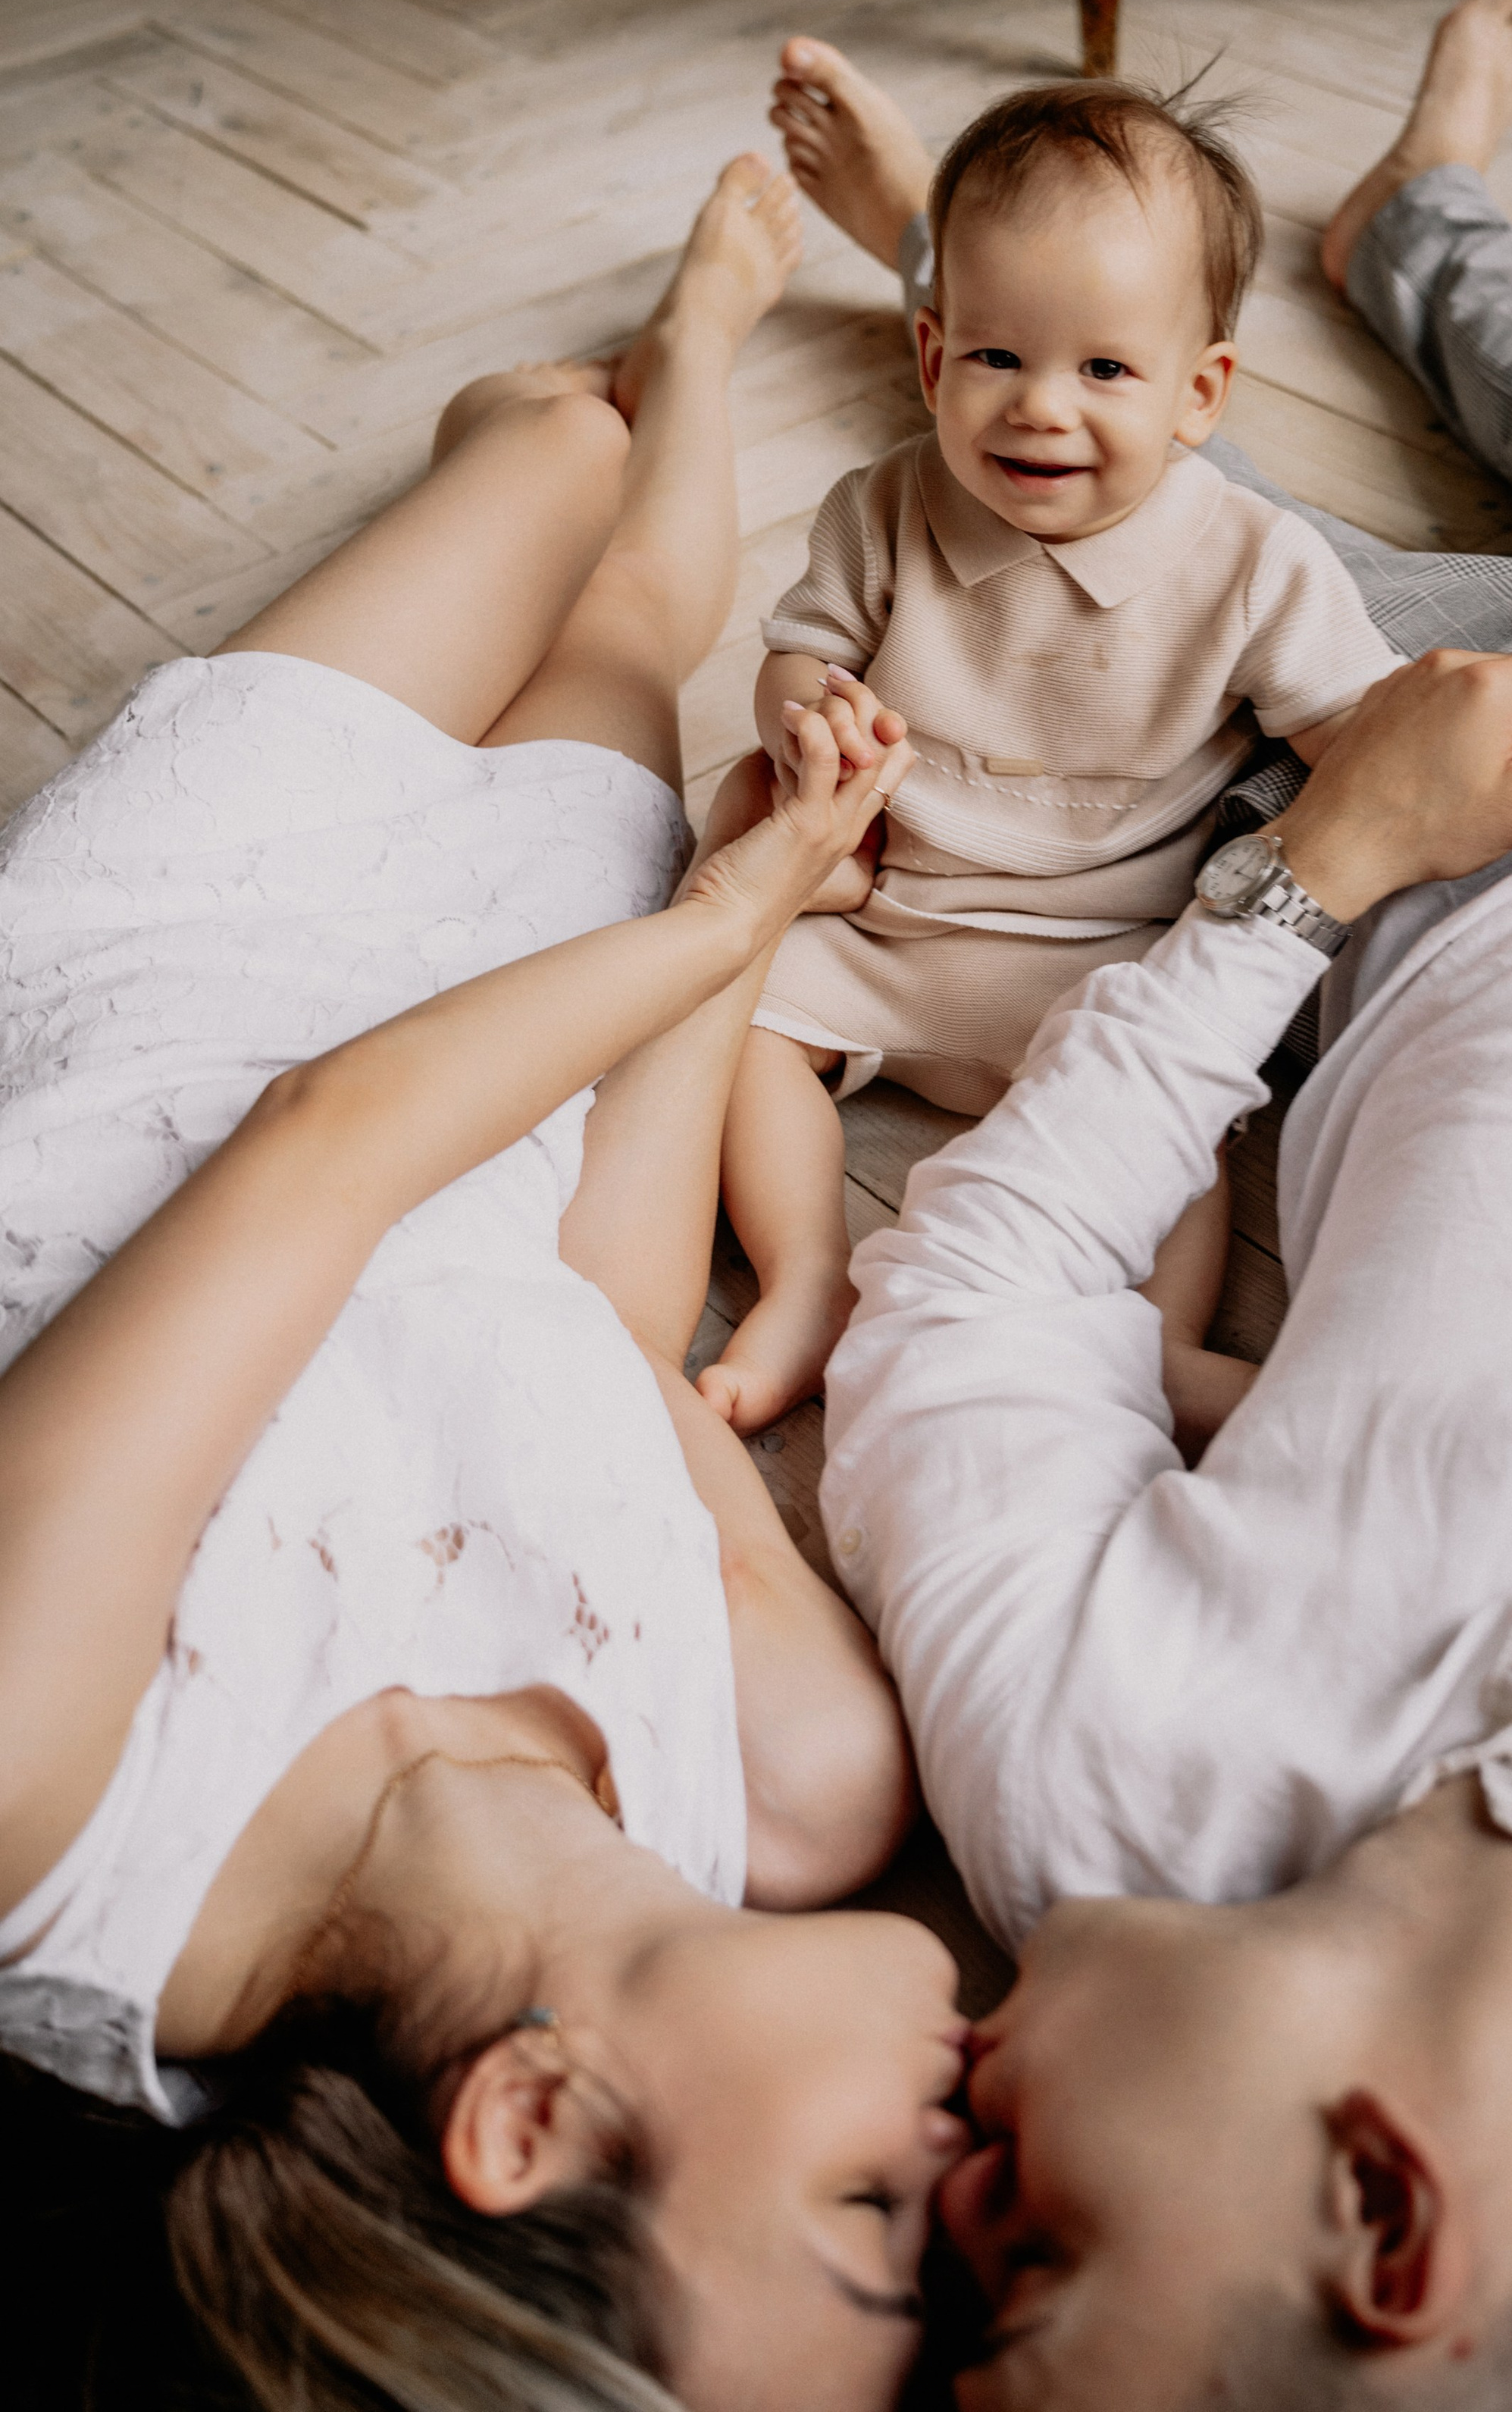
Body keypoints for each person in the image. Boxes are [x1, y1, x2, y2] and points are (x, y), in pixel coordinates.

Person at [779, 0, 1512, 2405]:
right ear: (1383, 2214)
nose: (948, 2196)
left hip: (1419, 809)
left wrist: (1325, 856)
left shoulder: (1097, 1786)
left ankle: (957, 263)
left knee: (1097, 489)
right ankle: (1428, 215)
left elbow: (987, 1263)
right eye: (1039, 2274)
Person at [0, 158, 975, 2412]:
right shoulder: (804, 1778)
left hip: (171, 958)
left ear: (529, 2125)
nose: (956, 2177)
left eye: (869, 2225)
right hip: (522, 1045)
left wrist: (718, 937)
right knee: (636, 608)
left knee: (542, 442)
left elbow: (314, 1158)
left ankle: (624, 384)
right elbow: (600, 1330)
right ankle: (711, 339)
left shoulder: (59, 1827)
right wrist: (742, 895)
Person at [703, 72, 1512, 1435]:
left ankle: (1153, 1346)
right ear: (932, 361)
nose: (1042, 407)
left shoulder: (1253, 562)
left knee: (1188, 1125)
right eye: (996, 359)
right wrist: (806, 710)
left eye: (1104, 369)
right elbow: (799, 651)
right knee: (741, 1027)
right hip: (888, 919)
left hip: (1100, 955)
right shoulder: (882, 509)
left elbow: (1361, 737)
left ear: (1200, 393)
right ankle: (805, 1275)